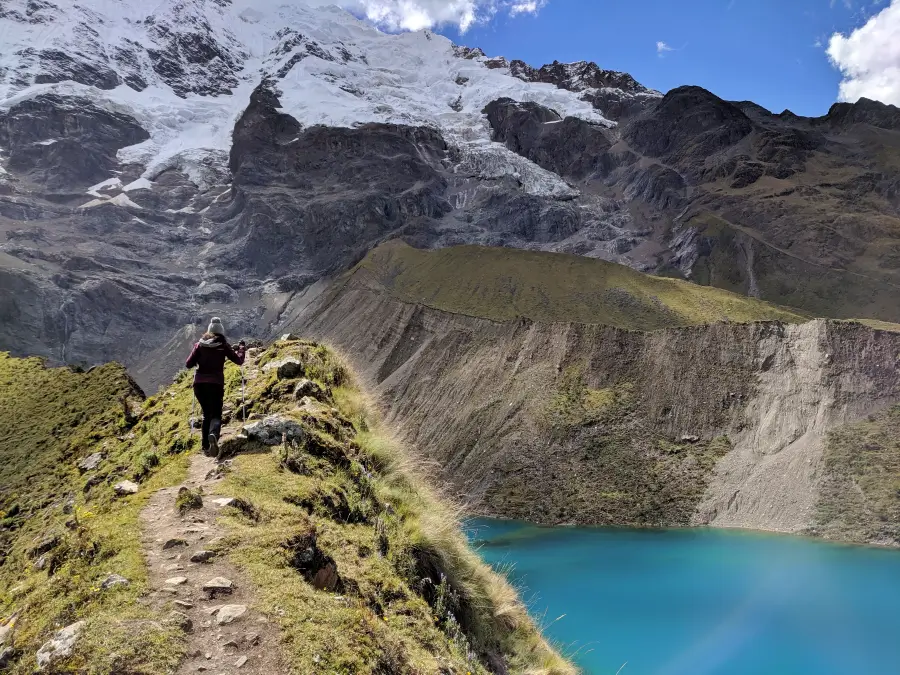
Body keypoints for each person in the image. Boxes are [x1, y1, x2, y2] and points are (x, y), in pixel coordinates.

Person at [185, 317, 246, 458]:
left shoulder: (199, 345)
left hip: (199, 385)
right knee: (216, 414)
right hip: (216, 384)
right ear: (221, 332)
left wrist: (199, 362)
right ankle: (213, 434)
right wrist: (242, 348)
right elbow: (239, 360)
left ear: (209, 331)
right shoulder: (222, 345)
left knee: (206, 414)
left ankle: (205, 446)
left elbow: (188, 364)